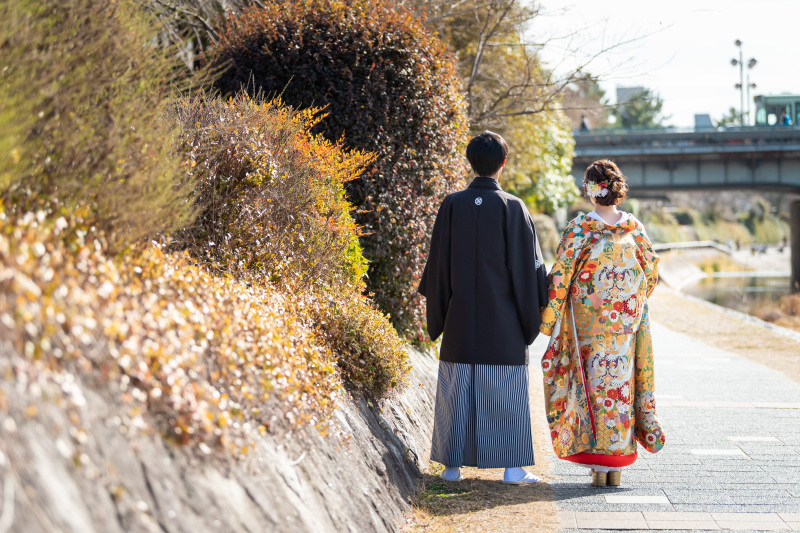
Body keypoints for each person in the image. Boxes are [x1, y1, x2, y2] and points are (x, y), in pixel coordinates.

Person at [419, 131, 549, 484]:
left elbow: (438, 265)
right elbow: (528, 269)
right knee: (505, 390)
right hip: (503, 321)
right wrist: (533, 308)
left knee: (456, 390)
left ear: (471, 161)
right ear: (502, 163)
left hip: (460, 317)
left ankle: (451, 467)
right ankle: (512, 469)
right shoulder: (513, 207)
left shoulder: (451, 204)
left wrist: (441, 314)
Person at [539, 159, 665, 487]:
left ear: (590, 190)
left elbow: (561, 274)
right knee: (621, 387)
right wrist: (629, 304)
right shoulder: (634, 228)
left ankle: (598, 466)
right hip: (625, 328)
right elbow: (651, 272)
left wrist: (548, 317)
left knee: (593, 388)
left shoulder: (580, 228)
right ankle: (616, 465)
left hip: (588, 329)